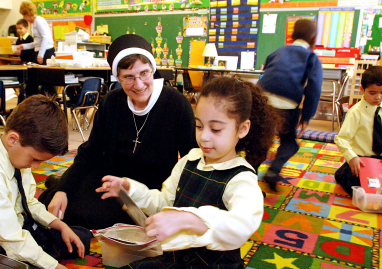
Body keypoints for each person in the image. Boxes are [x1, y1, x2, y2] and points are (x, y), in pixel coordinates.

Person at [97, 77, 281, 268]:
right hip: (175, 259)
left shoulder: (241, 178)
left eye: (216, 129)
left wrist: (189, 219)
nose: (204, 137)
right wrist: (131, 190)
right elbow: (164, 205)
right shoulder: (190, 160)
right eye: (199, 126)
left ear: (242, 129)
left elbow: (242, 224)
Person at [39, 34, 197, 230]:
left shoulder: (176, 104)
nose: (138, 85)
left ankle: (58, 182)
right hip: (109, 180)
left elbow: (193, 158)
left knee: (114, 220)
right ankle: (59, 184)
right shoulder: (112, 101)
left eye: (144, 74)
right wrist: (63, 190)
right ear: (118, 78)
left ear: (153, 70)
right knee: (57, 202)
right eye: (128, 77)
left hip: (149, 188)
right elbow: (91, 152)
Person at [0, 95, 92, 269]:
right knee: (34, 261)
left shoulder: (17, 155)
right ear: (13, 139)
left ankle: (42, 248)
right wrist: (54, 267)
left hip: (19, 226)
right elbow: (11, 239)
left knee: (79, 237)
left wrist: (59, 225)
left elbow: (29, 203)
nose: (35, 166)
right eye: (35, 159)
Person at [257, 19, 323, 191]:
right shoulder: (311, 57)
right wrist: (306, 116)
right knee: (289, 142)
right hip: (286, 104)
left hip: (262, 99)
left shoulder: (277, 51)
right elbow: (313, 88)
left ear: (292, 35)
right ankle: (274, 170)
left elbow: (267, 74)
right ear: (313, 38)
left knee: (261, 139)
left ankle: (249, 172)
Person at [334, 66, 382, 196]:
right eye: (373, 93)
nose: (378, 97)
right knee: (361, 190)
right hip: (361, 162)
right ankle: (343, 172)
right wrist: (352, 157)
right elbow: (342, 139)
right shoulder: (355, 112)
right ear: (362, 89)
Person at [17, 1, 56, 97]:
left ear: (27, 13)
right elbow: (37, 42)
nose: (24, 17)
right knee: (42, 81)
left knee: (42, 81)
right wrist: (24, 46)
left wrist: (40, 55)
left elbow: (45, 38)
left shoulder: (38, 20)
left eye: (24, 15)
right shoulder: (36, 22)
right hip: (44, 51)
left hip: (46, 52)